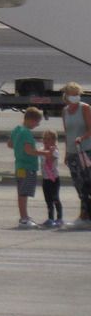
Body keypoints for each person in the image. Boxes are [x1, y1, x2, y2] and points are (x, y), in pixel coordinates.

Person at [60, 81, 91, 225]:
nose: (76, 97)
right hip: (73, 152)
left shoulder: (84, 108)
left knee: (87, 182)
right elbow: (67, 133)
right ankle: (85, 213)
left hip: (85, 151)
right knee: (78, 183)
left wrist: (82, 138)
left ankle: (85, 214)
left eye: (77, 95)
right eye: (73, 95)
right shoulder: (65, 111)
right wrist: (66, 152)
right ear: (67, 96)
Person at [8, 107, 43, 227]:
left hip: (19, 166)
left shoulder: (17, 129)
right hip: (27, 166)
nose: (37, 125)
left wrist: (19, 149)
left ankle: (24, 215)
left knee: (21, 191)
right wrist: (44, 153)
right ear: (31, 120)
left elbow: (10, 144)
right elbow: (29, 150)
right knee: (24, 193)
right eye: (37, 122)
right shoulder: (27, 133)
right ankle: (24, 218)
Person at [40, 129, 64, 227]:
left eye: (49, 139)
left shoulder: (55, 151)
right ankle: (50, 218)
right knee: (48, 200)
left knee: (55, 198)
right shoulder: (41, 150)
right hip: (45, 179)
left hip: (54, 179)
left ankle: (59, 218)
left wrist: (47, 151)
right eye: (44, 139)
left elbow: (51, 158)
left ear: (54, 141)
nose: (46, 141)